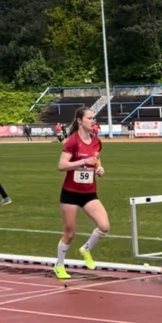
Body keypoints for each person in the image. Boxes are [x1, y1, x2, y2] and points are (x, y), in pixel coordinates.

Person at [54, 106, 109, 281]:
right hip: (70, 193)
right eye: (90, 118)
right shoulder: (72, 141)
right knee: (70, 233)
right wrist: (82, 161)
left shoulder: (96, 141)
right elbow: (62, 166)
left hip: (89, 192)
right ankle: (59, 265)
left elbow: (96, 158)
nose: (93, 121)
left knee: (104, 226)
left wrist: (99, 168)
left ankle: (86, 249)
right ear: (80, 121)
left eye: (94, 118)